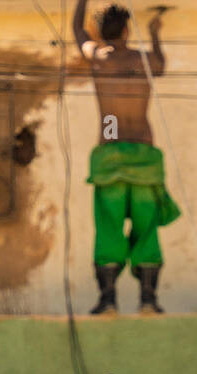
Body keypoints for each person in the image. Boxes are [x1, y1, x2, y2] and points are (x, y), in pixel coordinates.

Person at [72, 2, 181, 315]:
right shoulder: (143, 60)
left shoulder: (99, 58)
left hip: (109, 155)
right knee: (147, 228)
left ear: (103, 32)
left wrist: (81, 2)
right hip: (144, 153)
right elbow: (161, 65)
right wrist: (155, 32)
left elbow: (78, 31)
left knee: (108, 226)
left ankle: (108, 299)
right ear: (125, 30)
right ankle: (148, 299)